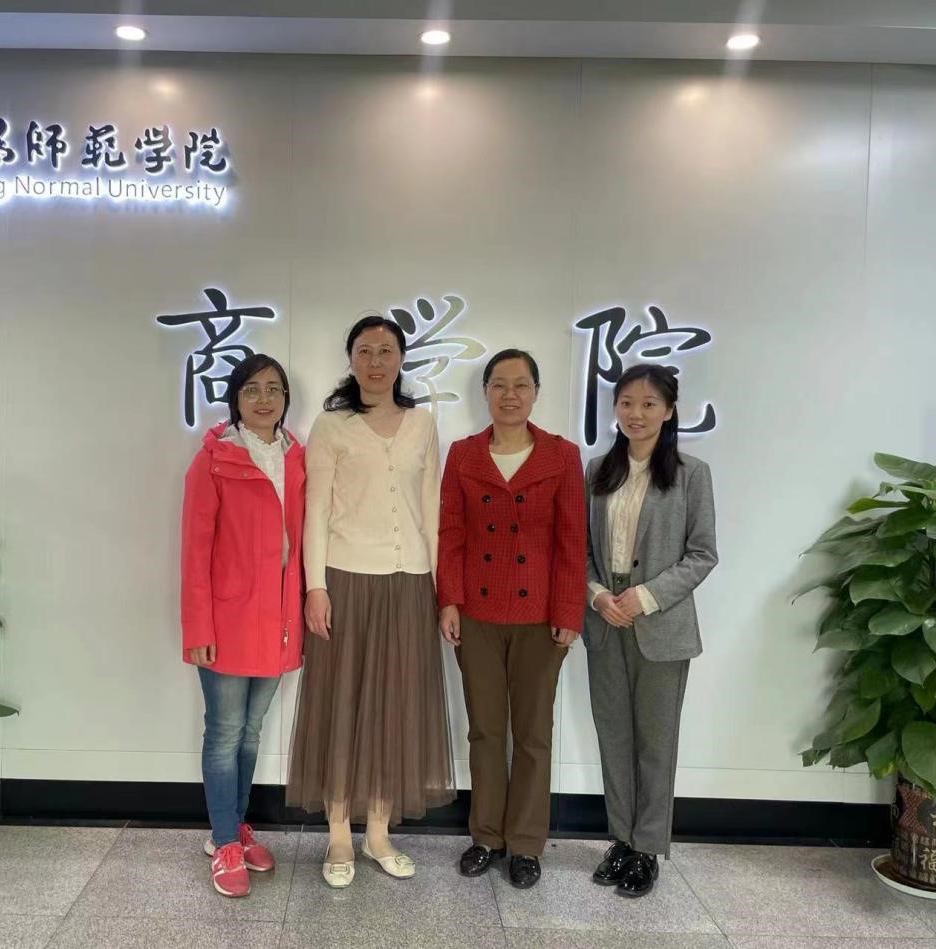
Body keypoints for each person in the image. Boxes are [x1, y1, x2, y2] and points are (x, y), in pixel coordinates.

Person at [286, 315, 455, 888]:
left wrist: (441, 589)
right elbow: (315, 511)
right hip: (346, 578)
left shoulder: (423, 423)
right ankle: (338, 833)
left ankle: (378, 833)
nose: (376, 361)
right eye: (365, 351)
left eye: (386, 350)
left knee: (396, 703)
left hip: (409, 581)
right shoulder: (332, 425)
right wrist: (315, 586)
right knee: (342, 702)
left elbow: (431, 508)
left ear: (402, 358)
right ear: (351, 360)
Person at [437, 348, 586, 889]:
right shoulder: (463, 454)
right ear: (485, 393)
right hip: (476, 614)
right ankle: (485, 837)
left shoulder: (561, 456)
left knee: (533, 735)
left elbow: (572, 540)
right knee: (485, 731)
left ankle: (525, 844)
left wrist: (568, 611)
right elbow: (451, 533)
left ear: (536, 393)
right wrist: (449, 600)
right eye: (499, 384)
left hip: (540, 618)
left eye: (521, 385)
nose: (509, 395)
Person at [583, 364, 718, 898]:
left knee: (656, 743)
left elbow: (702, 554)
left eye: (648, 404)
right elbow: (579, 549)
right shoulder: (597, 470)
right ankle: (621, 840)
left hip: (659, 622)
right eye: (626, 403)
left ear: (669, 411)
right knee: (613, 736)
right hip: (605, 619)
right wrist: (597, 595)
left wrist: (644, 597)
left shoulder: (691, 473)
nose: (635, 414)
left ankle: (647, 849)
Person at [179, 354, 306, 899]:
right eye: (252, 389)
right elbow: (194, 551)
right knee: (225, 732)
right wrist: (198, 628)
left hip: (279, 618)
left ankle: (233, 826)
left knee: (251, 733)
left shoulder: (297, 457)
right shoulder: (213, 460)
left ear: (285, 399)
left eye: (274, 389)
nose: (264, 399)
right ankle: (224, 841)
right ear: (235, 398)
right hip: (227, 620)